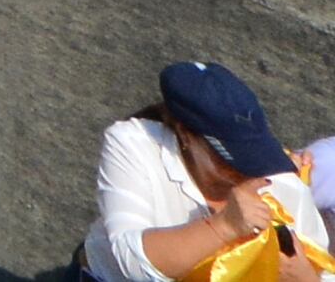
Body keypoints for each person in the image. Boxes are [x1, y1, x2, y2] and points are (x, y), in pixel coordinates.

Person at [85, 59, 327, 279]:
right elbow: (132, 263)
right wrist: (225, 226)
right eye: (229, 159)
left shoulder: (282, 180)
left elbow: (323, 270)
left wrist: (308, 278)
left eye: (254, 155)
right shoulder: (135, 142)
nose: (247, 170)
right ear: (184, 134)